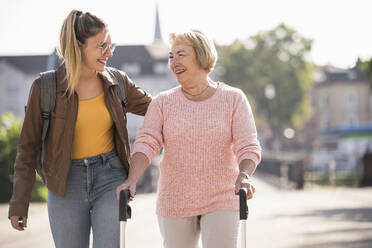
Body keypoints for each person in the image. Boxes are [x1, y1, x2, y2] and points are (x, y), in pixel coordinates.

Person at [9, 10, 152, 248]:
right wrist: (19, 202)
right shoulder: (45, 87)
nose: (109, 52)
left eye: (110, 45)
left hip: (111, 177)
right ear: (78, 46)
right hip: (65, 183)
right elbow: (28, 148)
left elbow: (158, 108)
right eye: (101, 46)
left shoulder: (117, 81)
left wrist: (200, 91)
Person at [116, 30, 261, 248]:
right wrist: (132, 179)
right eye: (171, 57)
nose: (173, 62)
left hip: (222, 196)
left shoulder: (233, 99)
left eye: (181, 54)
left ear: (201, 55)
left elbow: (247, 145)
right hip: (175, 200)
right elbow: (147, 143)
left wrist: (244, 175)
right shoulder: (162, 103)